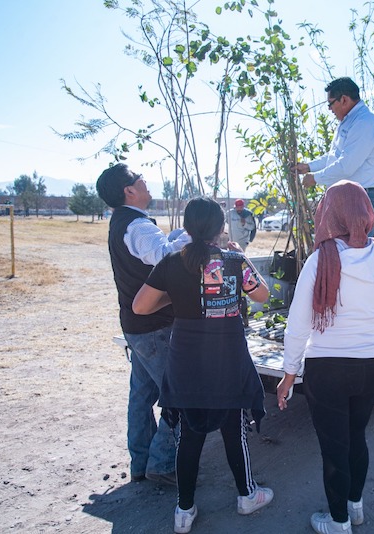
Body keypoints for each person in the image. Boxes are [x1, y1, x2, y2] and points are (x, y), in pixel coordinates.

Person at [133, 196, 273, 534]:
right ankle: (246, 495)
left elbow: (140, 306)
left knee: (189, 435)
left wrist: (175, 296)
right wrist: (239, 260)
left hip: (186, 361)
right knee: (233, 429)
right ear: (221, 228)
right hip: (227, 359)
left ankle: (184, 511)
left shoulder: (170, 262)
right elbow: (263, 295)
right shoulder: (235, 261)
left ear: (186, 226)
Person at [276, 181, 374, 534]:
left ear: (328, 213)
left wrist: (288, 375)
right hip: (373, 364)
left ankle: (338, 523)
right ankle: (355, 507)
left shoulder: (321, 259)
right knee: (356, 436)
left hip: (327, 369)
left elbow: (298, 324)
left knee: (334, 446)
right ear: (365, 211)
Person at [96, 164, 192, 486]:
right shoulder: (136, 224)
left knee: (142, 393)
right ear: (129, 190)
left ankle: (140, 462)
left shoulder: (123, 223)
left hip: (136, 324)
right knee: (181, 393)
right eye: (141, 178)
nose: (146, 182)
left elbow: (159, 246)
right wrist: (196, 235)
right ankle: (163, 463)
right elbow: (165, 255)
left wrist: (178, 236)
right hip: (156, 326)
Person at [291, 77, 374, 235]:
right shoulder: (349, 121)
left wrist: (315, 178)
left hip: (360, 198)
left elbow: (346, 166)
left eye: (330, 103)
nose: (329, 109)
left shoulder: (365, 123)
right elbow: (335, 156)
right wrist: (308, 167)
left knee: (355, 254)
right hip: (347, 196)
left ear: (344, 100)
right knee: (343, 251)